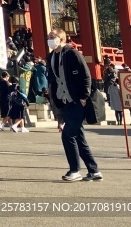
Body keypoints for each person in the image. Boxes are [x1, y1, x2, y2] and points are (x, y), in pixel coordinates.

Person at [46, 28, 101, 181]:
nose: (50, 39)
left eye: (53, 37)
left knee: (68, 135)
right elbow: (53, 80)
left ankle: (74, 170)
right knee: (78, 137)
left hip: (77, 100)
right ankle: (94, 170)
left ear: (61, 39)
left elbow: (86, 75)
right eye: (49, 37)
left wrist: (84, 96)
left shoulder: (72, 54)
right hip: (63, 100)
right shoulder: (51, 56)